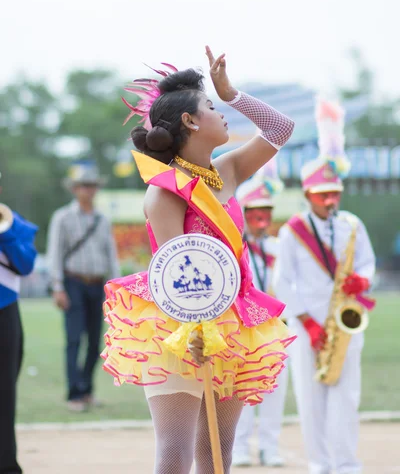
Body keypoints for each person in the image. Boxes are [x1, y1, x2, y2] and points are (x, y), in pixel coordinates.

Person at [101, 47, 296, 474]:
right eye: (212, 106)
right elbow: (172, 271)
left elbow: (281, 127)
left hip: (234, 321)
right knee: (175, 453)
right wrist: (196, 330)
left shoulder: (228, 170)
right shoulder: (166, 190)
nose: (222, 114)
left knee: (218, 454)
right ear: (190, 121)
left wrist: (231, 94)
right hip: (179, 323)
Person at [274, 98, 376, 474]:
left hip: (344, 320)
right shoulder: (291, 232)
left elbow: (366, 260)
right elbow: (281, 280)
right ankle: (320, 463)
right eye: (323, 195)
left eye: (335, 193)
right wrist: (308, 321)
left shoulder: (351, 224)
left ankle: (347, 462)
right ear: (307, 195)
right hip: (307, 323)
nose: (331, 201)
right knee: (310, 397)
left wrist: (362, 277)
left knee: (347, 397)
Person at [47, 161, 120, 412]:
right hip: (73, 281)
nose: (88, 190)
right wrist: (57, 286)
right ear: (75, 189)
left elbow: (111, 254)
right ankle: (74, 393)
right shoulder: (63, 217)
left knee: (94, 341)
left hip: (97, 283)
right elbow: (54, 253)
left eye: (92, 186)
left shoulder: (102, 220)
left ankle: (87, 390)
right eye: (84, 186)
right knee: (74, 339)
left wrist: (115, 286)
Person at [232, 160, 289, 468]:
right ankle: (239, 447)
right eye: (255, 215)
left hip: (276, 328)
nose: (262, 221)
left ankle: (270, 447)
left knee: (275, 391)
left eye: (266, 215)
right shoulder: (236, 250)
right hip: (245, 328)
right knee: (243, 389)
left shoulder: (280, 247)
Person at [0, 171, 38, 474]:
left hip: (4, 312)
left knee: (4, 391)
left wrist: (5, 233)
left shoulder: (13, 222)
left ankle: (5, 463)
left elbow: (25, 265)